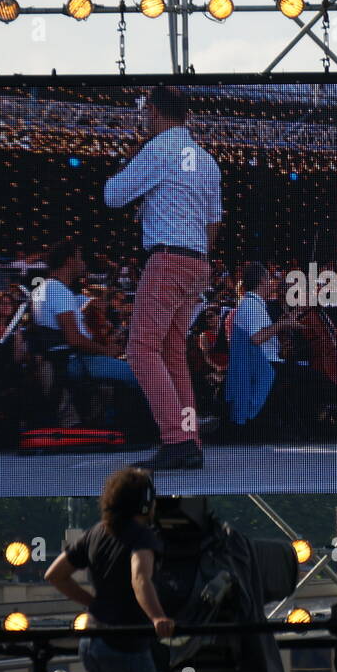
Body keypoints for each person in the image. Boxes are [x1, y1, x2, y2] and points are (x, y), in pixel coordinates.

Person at [105, 86, 223, 470]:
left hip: (168, 258)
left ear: (154, 112)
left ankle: (176, 439)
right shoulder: (207, 161)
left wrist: (127, 161)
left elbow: (113, 196)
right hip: (197, 263)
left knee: (141, 351)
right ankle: (188, 439)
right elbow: (212, 225)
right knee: (173, 355)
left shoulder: (159, 150)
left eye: (145, 112)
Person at [44, 467, 174, 672]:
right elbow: (140, 578)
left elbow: (55, 575)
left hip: (92, 642)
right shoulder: (142, 536)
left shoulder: (96, 532)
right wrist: (158, 617)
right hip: (126, 644)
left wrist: (93, 604)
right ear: (145, 503)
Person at [31, 240, 141, 389]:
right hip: (73, 360)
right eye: (80, 258)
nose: (83, 263)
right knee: (141, 377)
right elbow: (74, 339)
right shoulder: (57, 289)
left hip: (64, 359)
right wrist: (106, 351)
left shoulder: (47, 287)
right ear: (70, 261)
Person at [226, 261, 303, 439]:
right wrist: (282, 324)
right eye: (269, 278)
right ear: (262, 280)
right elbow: (257, 338)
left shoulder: (256, 303)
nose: (271, 283)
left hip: (267, 360)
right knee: (308, 377)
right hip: (262, 364)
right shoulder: (251, 305)